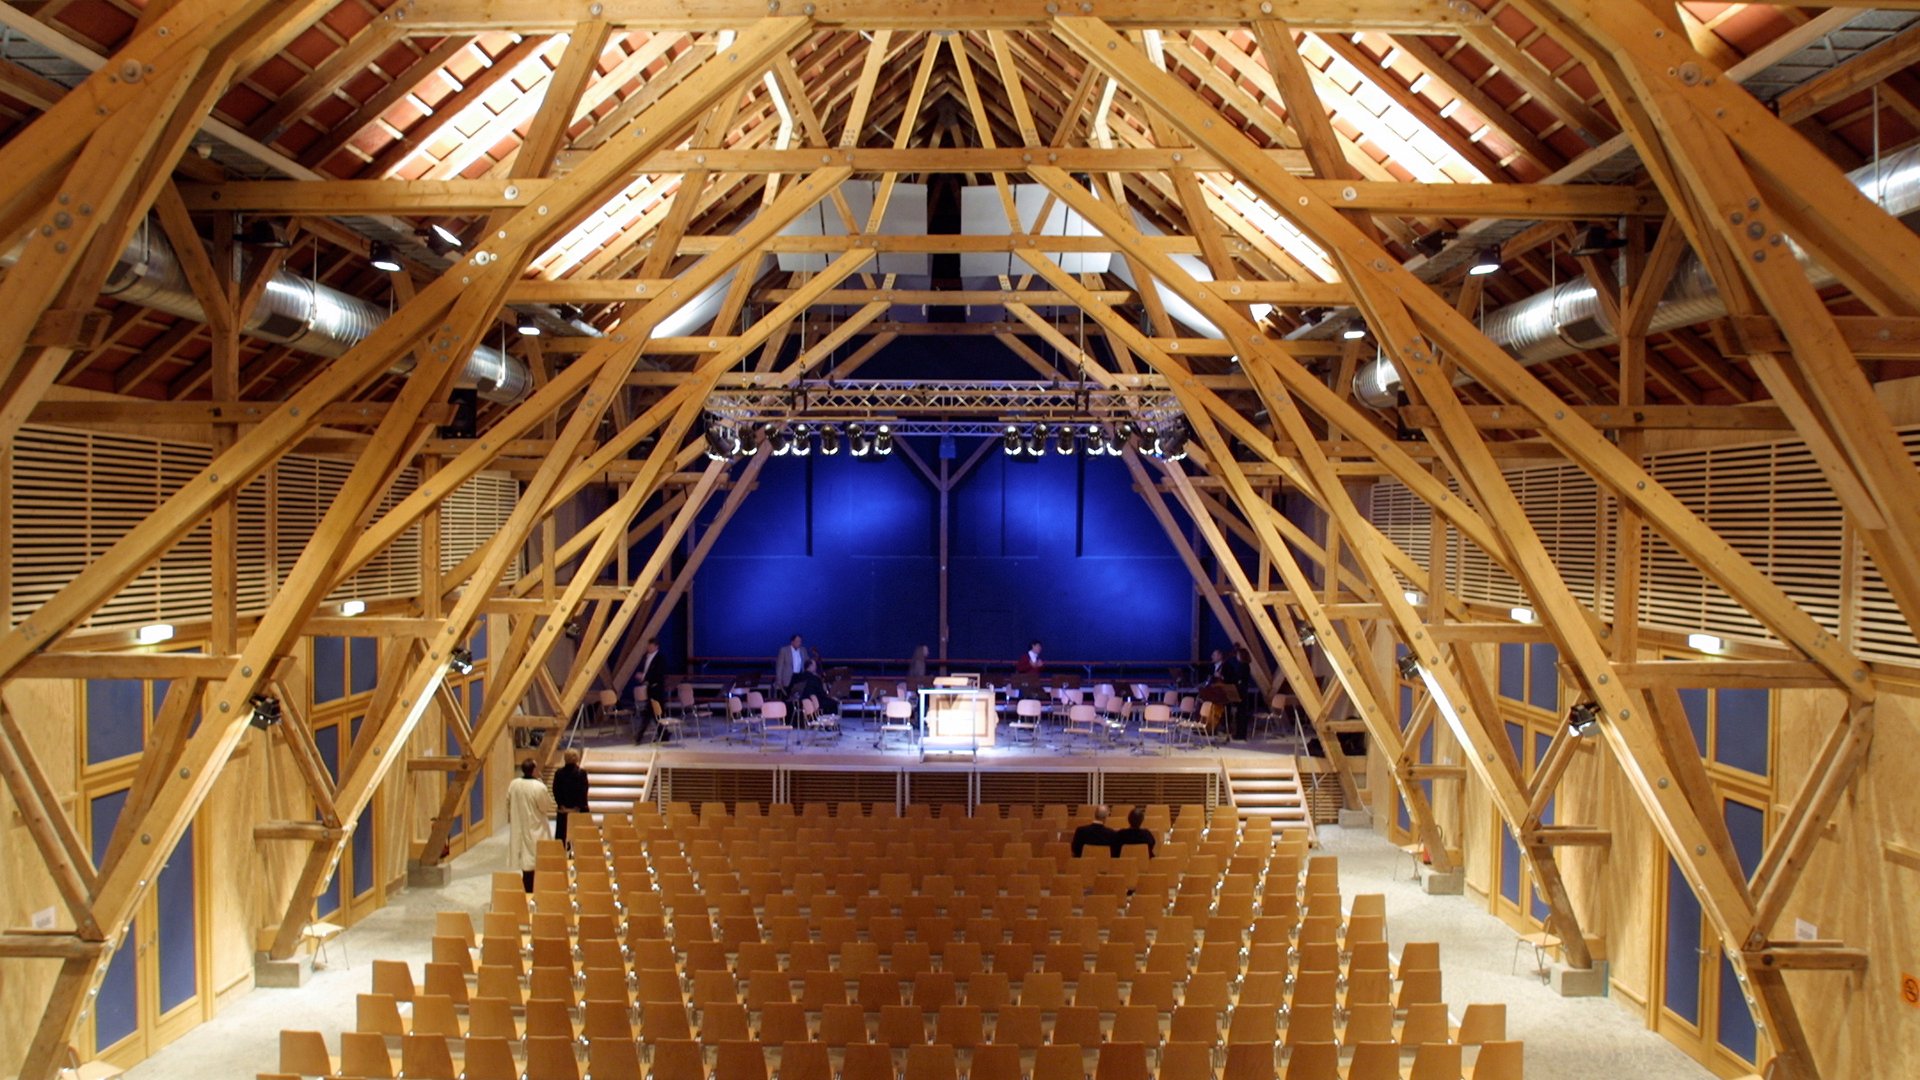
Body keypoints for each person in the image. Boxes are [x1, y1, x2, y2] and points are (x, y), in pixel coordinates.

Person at [506, 758, 554, 893]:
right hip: (535, 827)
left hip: (520, 824)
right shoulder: (539, 787)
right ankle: (535, 890)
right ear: (533, 770)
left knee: (526, 861)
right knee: (535, 859)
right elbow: (546, 806)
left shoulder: (514, 784)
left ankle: (527, 889)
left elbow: (508, 803)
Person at [551, 748, 590, 849]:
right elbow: (583, 791)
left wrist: (561, 805)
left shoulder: (559, 773)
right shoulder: (581, 773)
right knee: (580, 838)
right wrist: (577, 807)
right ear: (577, 759)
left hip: (563, 811)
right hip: (579, 810)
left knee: (562, 837)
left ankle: (561, 854)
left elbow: (556, 790)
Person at [632, 639, 667, 743]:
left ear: (656, 646)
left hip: (657, 689)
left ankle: (639, 737)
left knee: (652, 713)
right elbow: (646, 670)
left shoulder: (660, 659)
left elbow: (657, 674)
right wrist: (643, 677)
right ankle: (664, 734)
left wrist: (644, 677)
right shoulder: (646, 657)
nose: (648, 647)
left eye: (651, 646)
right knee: (655, 714)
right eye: (648, 646)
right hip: (650, 689)